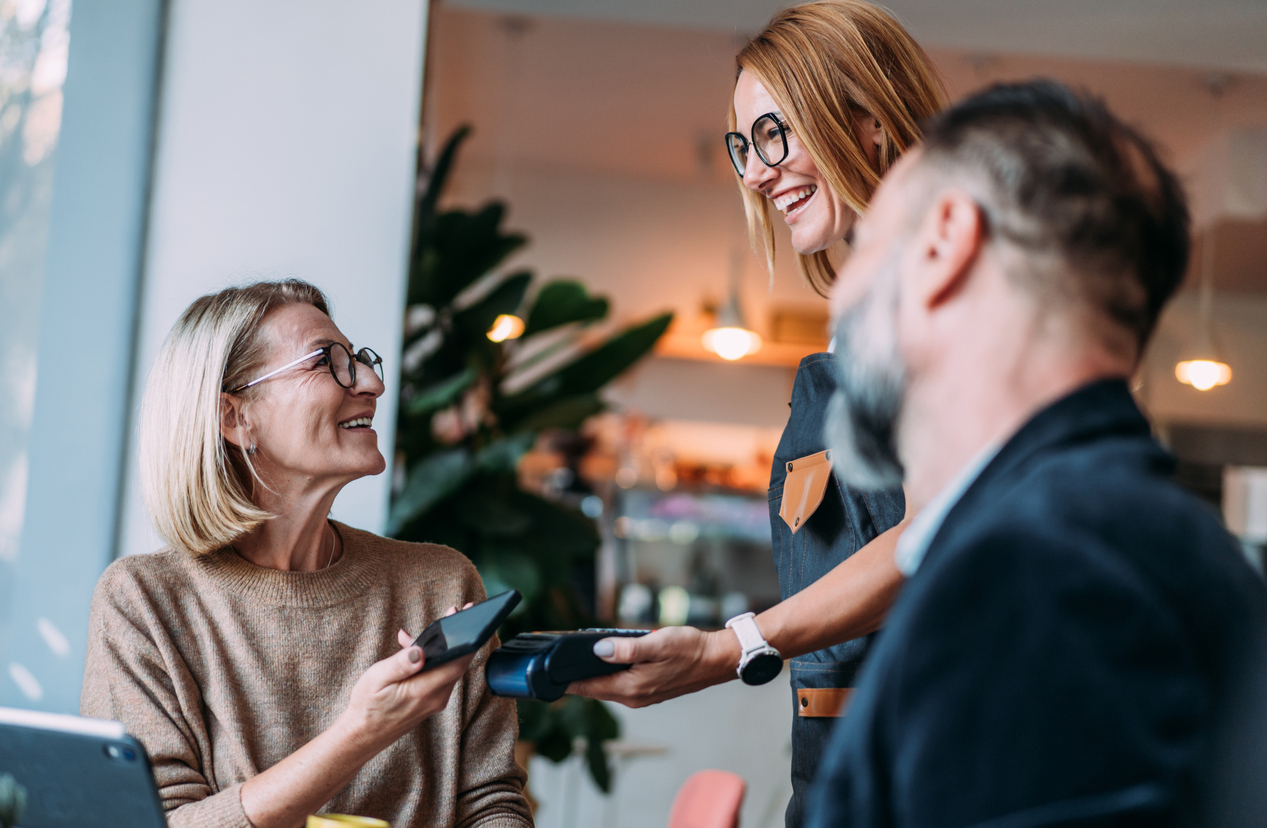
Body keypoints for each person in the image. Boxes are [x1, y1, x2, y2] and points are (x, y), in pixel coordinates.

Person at [807, 80, 1267, 827]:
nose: (835, 308)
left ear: (943, 242)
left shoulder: (1038, 572)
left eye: (862, 249)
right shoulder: (1131, 542)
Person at [572, 3, 945, 825]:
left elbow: (931, 532)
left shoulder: (940, 288)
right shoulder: (861, 310)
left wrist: (731, 645)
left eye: (773, 134)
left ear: (869, 122)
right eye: (744, 145)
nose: (754, 171)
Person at [81, 280, 531, 828]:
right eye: (328, 362)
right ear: (235, 418)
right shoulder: (145, 602)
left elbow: (493, 803)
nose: (371, 382)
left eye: (361, 361)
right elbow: (152, 823)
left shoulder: (441, 583)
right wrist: (362, 731)